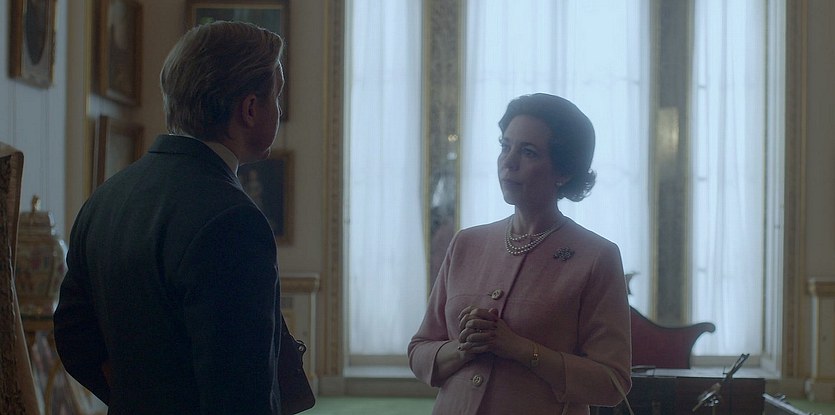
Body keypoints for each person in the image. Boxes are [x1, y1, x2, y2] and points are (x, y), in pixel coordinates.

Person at [54, 21, 285, 414]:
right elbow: (240, 394)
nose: (278, 109)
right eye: (276, 96)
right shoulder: (233, 220)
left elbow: (74, 337)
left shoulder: (106, 198)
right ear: (249, 109)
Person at [409, 93, 632, 414]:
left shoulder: (596, 256)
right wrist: (464, 348)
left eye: (528, 152)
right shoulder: (466, 243)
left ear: (564, 172)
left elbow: (612, 383)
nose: (508, 162)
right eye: (505, 146)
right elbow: (419, 351)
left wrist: (521, 349)